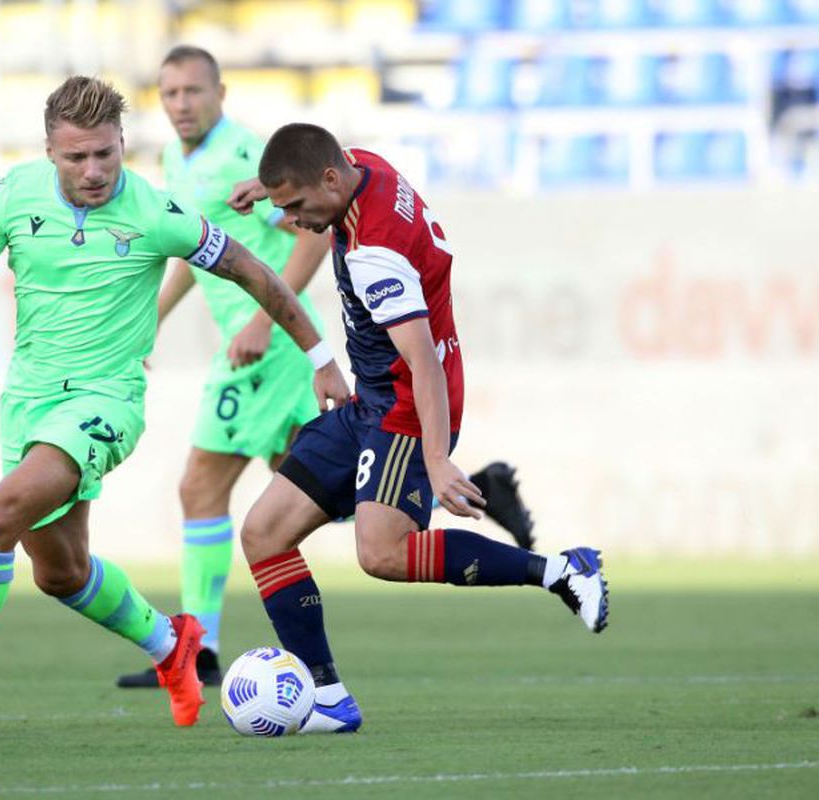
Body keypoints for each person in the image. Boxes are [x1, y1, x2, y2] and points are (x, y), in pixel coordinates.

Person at [0, 78, 350, 736]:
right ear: (49, 153)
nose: (94, 171)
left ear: (123, 143)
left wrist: (322, 356)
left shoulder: (157, 212)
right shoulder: (13, 195)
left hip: (105, 402)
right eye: (76, 158)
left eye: (105, 154)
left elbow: (254, 274)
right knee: (60, 574)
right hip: (28, 401)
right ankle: (170, 645)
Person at [116, 46, 537, 690]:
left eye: (192, 91)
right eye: (168, 93)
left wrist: (266, 318)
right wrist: (150, 322)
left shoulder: (255, 154)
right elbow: (190, 255)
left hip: (271, 347)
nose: (179, 104)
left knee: (209, 489)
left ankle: (197, 648)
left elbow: (312, 232)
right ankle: (460, 482)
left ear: (220, 93)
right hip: (261, 346)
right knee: (317, 499)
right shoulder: (180, 160)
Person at [227, 123, 609, 734]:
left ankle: (563, 571)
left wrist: (434, 459)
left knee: (380, 553)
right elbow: (321, 155)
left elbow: (423, 361)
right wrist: (266, 185)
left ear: (329, 181)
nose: (295, 221)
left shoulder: (376, 251)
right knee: (263, 533)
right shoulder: (359, 169)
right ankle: (328, 696)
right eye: (285, 207)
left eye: (297, 207)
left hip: (406, 404)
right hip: (371, 398)